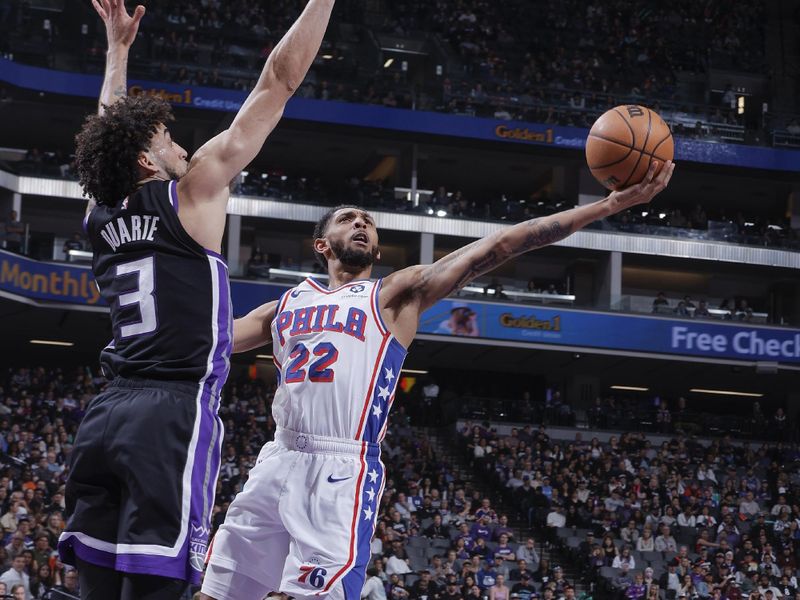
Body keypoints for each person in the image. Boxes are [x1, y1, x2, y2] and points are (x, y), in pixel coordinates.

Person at [201, 159, 674, 599]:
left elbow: (502, 245)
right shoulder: (282, 307)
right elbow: (205, 340)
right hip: (277, 456)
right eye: (348, 218)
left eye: (367, 220)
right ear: (322, 245)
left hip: (340, 465)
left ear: (378, 247)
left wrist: (609, 206)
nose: (361, 223)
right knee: (217, 589)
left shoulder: (394, 295)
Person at [57, 0, 336, 598]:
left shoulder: (99, 216)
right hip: (170, 415)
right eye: (167, 140)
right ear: (145, 160)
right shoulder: (192, 192)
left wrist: (118, 52)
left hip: (104, 416)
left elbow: (111, 127)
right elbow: (279, 82)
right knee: (159, 587)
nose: (181, 146)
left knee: (97, 590)